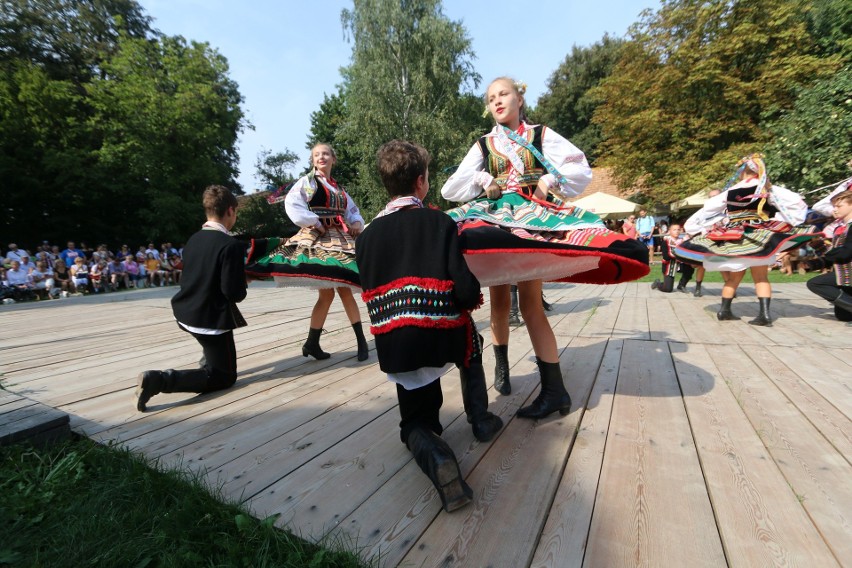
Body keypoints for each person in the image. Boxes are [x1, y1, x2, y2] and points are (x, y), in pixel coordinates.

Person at [440, 76, 648, 417]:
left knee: (532, 306)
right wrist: (482, 179)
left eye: (503, 93)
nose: (497, 101)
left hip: (531, 218)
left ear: (519, 98)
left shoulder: (539, 134)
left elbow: (579, 167)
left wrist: (547, 181)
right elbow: (452, 187)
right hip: (496, 219)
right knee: (498, 302)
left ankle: (554, 391)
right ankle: (504, 367)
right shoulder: (484, 144)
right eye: (491, 97)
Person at [356, 140, 503, 513]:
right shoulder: (440, 222)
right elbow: (466, 289)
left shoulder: (367, 236)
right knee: (470, 339)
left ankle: (434, 452)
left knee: (415, 422)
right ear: (421, 182)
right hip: (443, 338)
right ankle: (481, 420)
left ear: (386, 183)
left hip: (396, 346)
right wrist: (464, 304)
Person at [246, 143, 369, 362]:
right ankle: (335, 343)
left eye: (325, 154)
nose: (321, 157)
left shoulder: (339, 189)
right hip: (320, 239)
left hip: (339, 239)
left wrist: (356, 224)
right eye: (317, 155)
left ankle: (326, 343)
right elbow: (293, 204)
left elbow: (352, 211)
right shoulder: (308, 182)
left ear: (333, 158)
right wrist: (315, 222)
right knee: (331, 292)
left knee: (341, 290)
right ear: (313, 160)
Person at [136, 185, 249, 412]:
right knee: (224, 377)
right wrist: (245, 280)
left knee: (213, 352)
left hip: (185, 312)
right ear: (230, 210)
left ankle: (208, 360)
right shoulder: (230, 245)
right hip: (209, 321)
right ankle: (158, 380)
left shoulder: (194, 239)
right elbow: (233, 293)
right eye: (236, 212)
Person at [674, 154, 818, 325]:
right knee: (761, 277)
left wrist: (697, 228)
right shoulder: (767, 188)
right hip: (759, 236)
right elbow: (796, 203)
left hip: (735, 237)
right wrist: (785, 219)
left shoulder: (731, 191)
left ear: (744, 172)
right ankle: (764, 315)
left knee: (734, 277)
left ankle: (724, 311)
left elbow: (709, 207)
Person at [805, 190, 852, 324]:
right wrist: (819, 247)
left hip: (850, 272)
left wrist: (826, 256)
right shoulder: (843, 227)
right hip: (845, 272)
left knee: (815, 283)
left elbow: (846, 252)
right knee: (843, 315)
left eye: (839, 206)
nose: (835, 210)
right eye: (834, 206)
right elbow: (839, 253)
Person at [684, 188, 722, 297]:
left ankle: (730, 288)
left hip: (722, 241)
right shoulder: (704, 211)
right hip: (707, 240)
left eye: (715, 196)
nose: (713, 199)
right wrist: (703, 230)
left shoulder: (727, 210)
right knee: (701, 264)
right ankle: (698, 288)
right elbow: (689, 224)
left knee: (724, 265)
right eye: (710, 197)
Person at [651, 224, 693, 292]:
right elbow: (666, 256)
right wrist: (681, 254)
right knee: (668, 289)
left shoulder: (683, 241)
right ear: (669, 231)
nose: (677, 231)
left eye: (678, 230)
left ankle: (681, 285)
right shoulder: (666, 241)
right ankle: (658, 283)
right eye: (674, 230)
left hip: (680, 264)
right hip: (669, 266)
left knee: (690, 268)